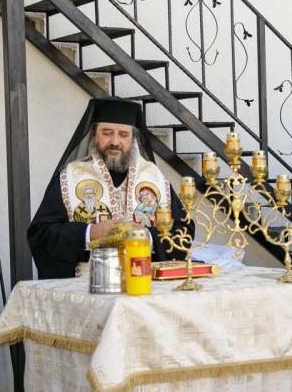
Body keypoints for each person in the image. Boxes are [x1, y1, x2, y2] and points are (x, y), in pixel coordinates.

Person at [28, 97, 187, 278]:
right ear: (94, 134)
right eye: (107, 132)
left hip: (144, 289)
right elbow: (40, 234)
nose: (115, 141)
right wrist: (89, 233)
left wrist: (146, 237)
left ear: (133, 138)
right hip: (88, 293)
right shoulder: (71, 177)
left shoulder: (153, 177)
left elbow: (182, 231)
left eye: (123, 134)